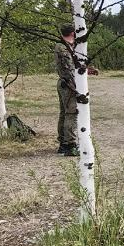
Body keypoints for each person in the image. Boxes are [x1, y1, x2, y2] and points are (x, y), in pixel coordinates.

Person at [55, 24, 80, 156]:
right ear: (72, 33)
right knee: (71, 113)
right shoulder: (63, 49)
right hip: (68, 84)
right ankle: (70, 145)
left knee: (64, 113)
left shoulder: (63, 47)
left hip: (64, 82)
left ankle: (63, 144)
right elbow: (69, 69)